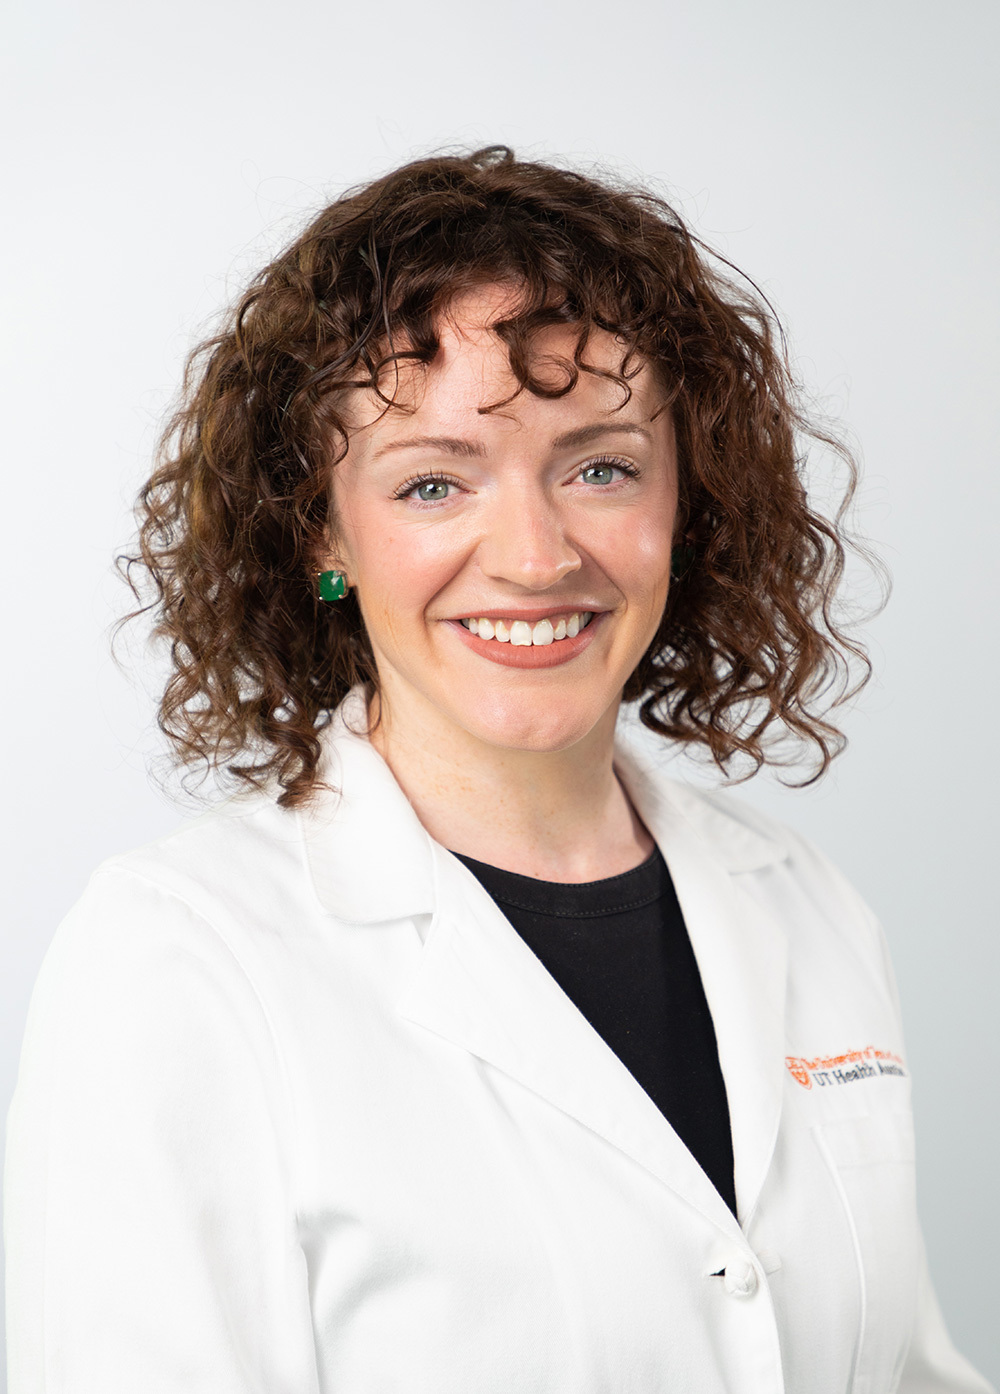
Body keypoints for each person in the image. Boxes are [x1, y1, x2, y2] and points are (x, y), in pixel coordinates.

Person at [5, 146, 992, 1394]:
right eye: (431, 481)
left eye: (600, 466)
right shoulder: (180, 958)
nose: (534, 555)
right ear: (322, 528)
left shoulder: (805, 903)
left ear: (689, 499)